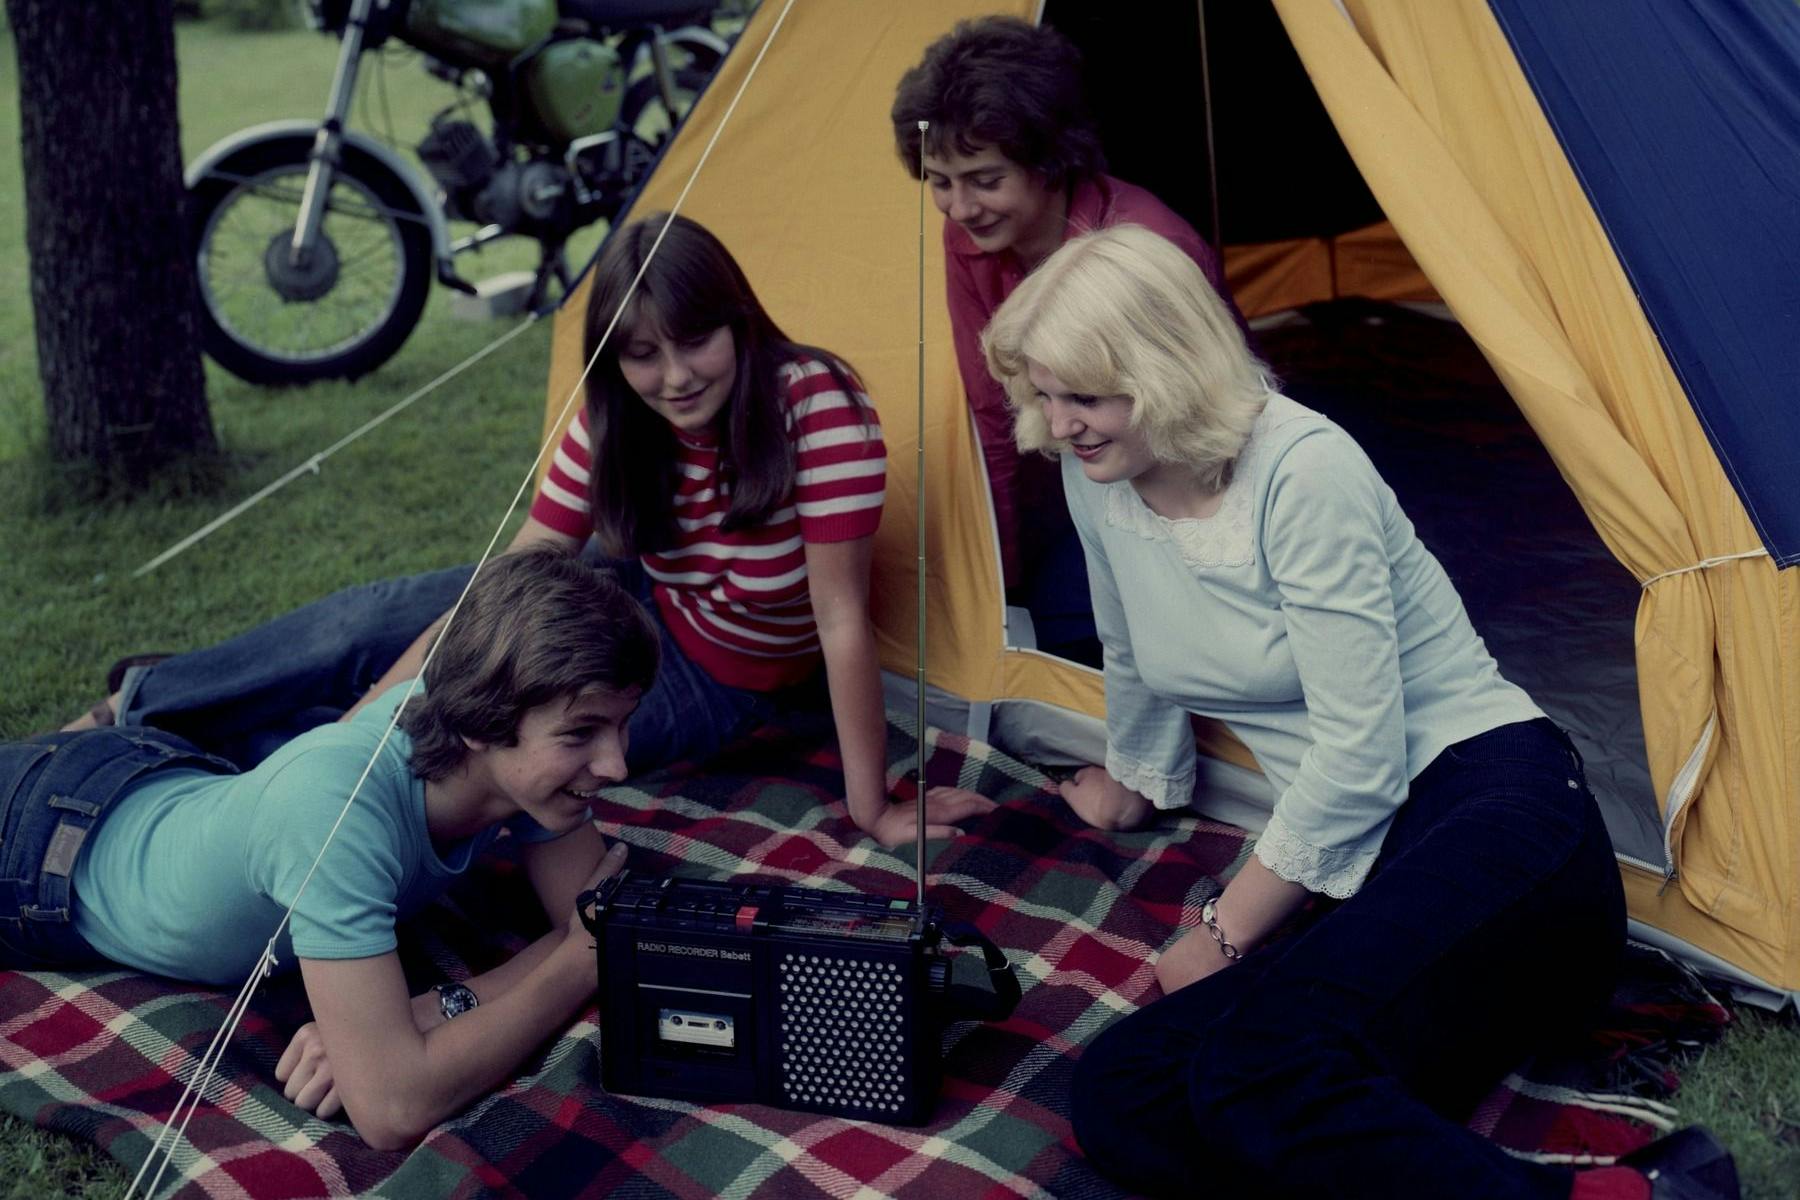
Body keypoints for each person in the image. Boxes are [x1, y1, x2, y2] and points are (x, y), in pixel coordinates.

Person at [980, 225, 1737, 1199]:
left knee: (1258, 1073)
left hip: (1496, 820)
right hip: (1369, 871)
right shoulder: (1104, 479)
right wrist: (1135, 781)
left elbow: (1360, 754)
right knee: (1128, 1096)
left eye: (1086, 395)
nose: (1060, 422)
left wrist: (1221, 933)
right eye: (1044, 393)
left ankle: (1637, 1197)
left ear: (1168, 371)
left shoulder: (1302, 470)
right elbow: (1130, 649)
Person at [68, 213, 992, 848]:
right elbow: (514, 577)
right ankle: (139, 704)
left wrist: (871, 808)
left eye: (693, 340)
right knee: (371, 626)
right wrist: (393, 694)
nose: (672, 375)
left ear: (738, 322)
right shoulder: (617, 415)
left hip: (718, 675)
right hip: (621, 599)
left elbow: (840, 621)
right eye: (640, 352)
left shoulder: (814, 406)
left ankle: (181, 773)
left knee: (458, 752)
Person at [3, 549, 657, 1150]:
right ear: (481, 724)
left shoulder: (523, 771)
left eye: (621, 726)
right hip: (37, 854)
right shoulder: (337, 813)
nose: (616, 764)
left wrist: (434, 1009)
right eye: (581, 734)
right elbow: (393, 1108)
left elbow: (599, 922)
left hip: (151, 772)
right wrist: (573, 966)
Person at [890, 15, 1247, 662]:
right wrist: (1001, 576)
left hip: (1190, 483)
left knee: (1131, 640)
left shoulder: (1147, 250)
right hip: (1088, 483)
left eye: (985, 179)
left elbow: (1206, 433)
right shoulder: (969, 240)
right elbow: (991, 414)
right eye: (940, 182)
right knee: (1039, 628)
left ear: (1050, 159)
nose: (961, 208)